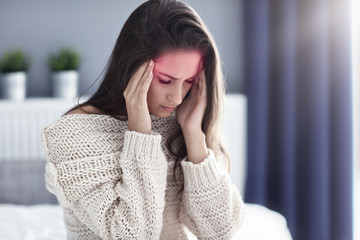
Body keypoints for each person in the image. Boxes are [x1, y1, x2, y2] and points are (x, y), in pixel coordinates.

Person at [42, 0, 246, 239]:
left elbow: (220, 232)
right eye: (166, 80)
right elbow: (132, 235)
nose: (178, 97)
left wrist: (193, 135)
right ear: (132, 66)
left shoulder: (182, 122)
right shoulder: (74, 134)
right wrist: (140, 135)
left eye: (189, 81)